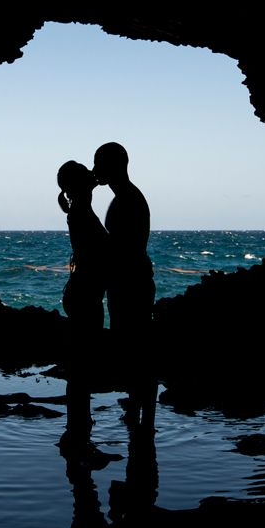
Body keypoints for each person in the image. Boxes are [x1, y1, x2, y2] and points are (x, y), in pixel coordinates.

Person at [92, 142, 157, 430]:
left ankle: (144, 414)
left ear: (114, 165)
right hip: (132, 280)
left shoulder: (126, 200)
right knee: (136, 346)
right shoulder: (128, 197)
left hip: (131, 283)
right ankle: (138, 405)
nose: (95, 170)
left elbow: (119, 247)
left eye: (99, 164)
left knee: (137, 346)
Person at [56, 160, 109, 454]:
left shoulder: (80, 210)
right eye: (85, 172)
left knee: (81, 366)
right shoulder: (81, 213)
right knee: (81, 367)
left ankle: (78, 431)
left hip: (82, 292)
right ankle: (78, 435)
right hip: (85, 294)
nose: (92, 173)